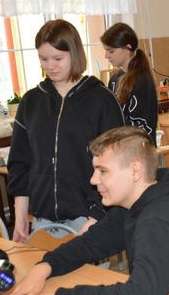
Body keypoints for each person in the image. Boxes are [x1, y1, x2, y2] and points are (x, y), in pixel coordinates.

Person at [0, 126, 169, 295]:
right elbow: (89, 244)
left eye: (103, 171)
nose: (93, 180)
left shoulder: (161, 220)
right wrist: (44, 268)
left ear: (135, 171)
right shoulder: (133, 206)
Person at [7, 19, 124, 243]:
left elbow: (117, 163)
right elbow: (20, 163)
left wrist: (97, 216)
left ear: (75, 54)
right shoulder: (31, 102)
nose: (50, 66)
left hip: (89, 217)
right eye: (43, 59)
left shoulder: (101, 100)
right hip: (42, 220)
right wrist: (20, 215)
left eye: (58, 58)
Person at [101, 22, 158, 142]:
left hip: (138, 147)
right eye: (106, 51)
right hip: (119, 145)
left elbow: (141, 126)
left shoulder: (142, 81)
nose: (106, 56)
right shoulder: (114, 79)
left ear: (127, 48)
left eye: (111, 51)